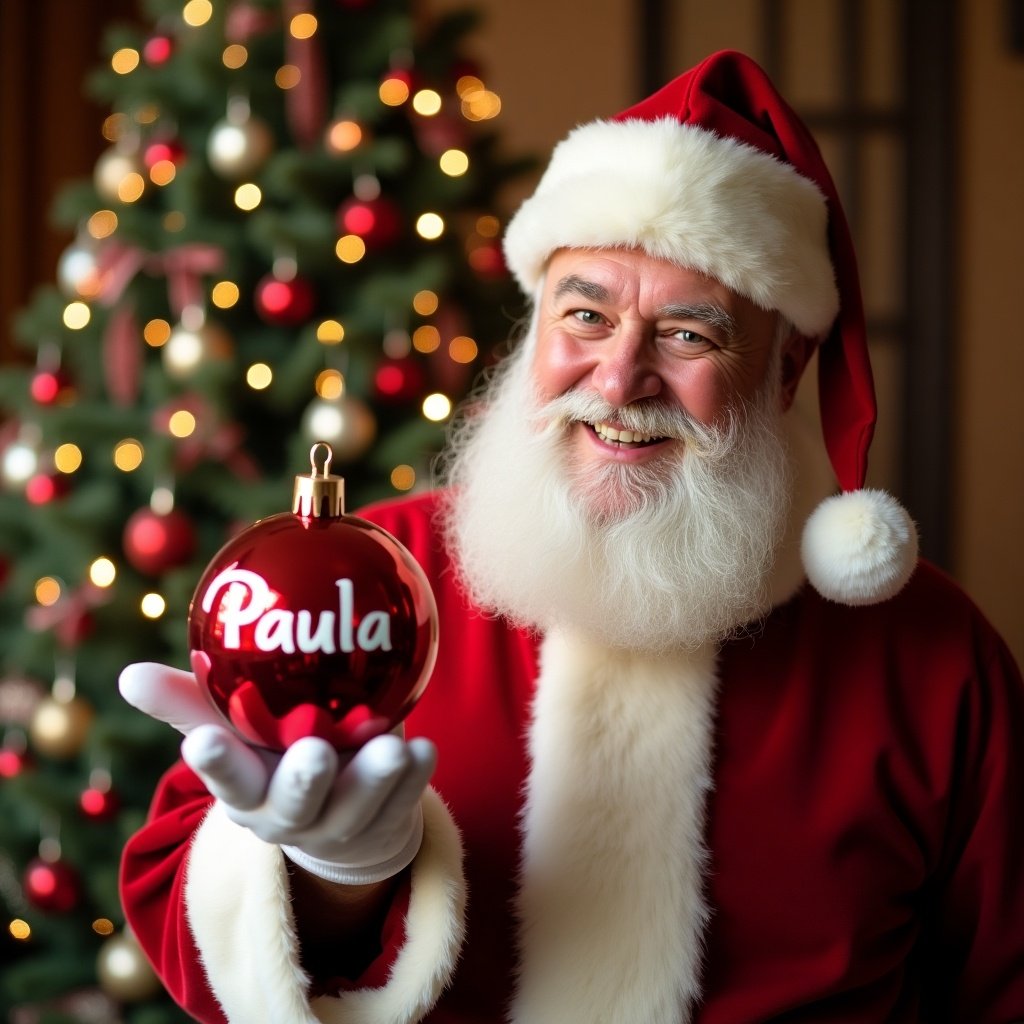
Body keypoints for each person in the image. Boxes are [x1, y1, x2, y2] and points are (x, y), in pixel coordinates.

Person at [119, 50, 1024, 1023]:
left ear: (787, 365)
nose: (619, 376)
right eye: (584, 314)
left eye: (688, 334)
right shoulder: (367, 585)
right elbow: (192, 940)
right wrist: (329, 876)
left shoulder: (930, 653)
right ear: (534, 321)